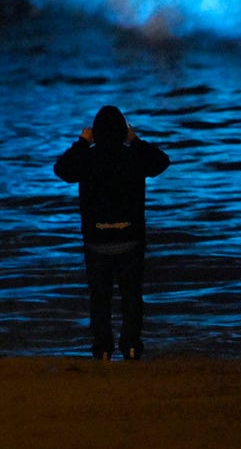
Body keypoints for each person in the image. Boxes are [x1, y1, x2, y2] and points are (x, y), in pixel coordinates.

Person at [53, 105, 170, 361]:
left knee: (100, 298)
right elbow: (162, 162)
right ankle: (130, 346)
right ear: (122, 132)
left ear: (96, 133)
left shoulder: (87, 159)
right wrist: (136, 141)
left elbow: (61, 169)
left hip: (97, 241)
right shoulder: (133, 157)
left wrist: (82, 143)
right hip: (130, 239)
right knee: (131, 297)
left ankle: (103, 348)